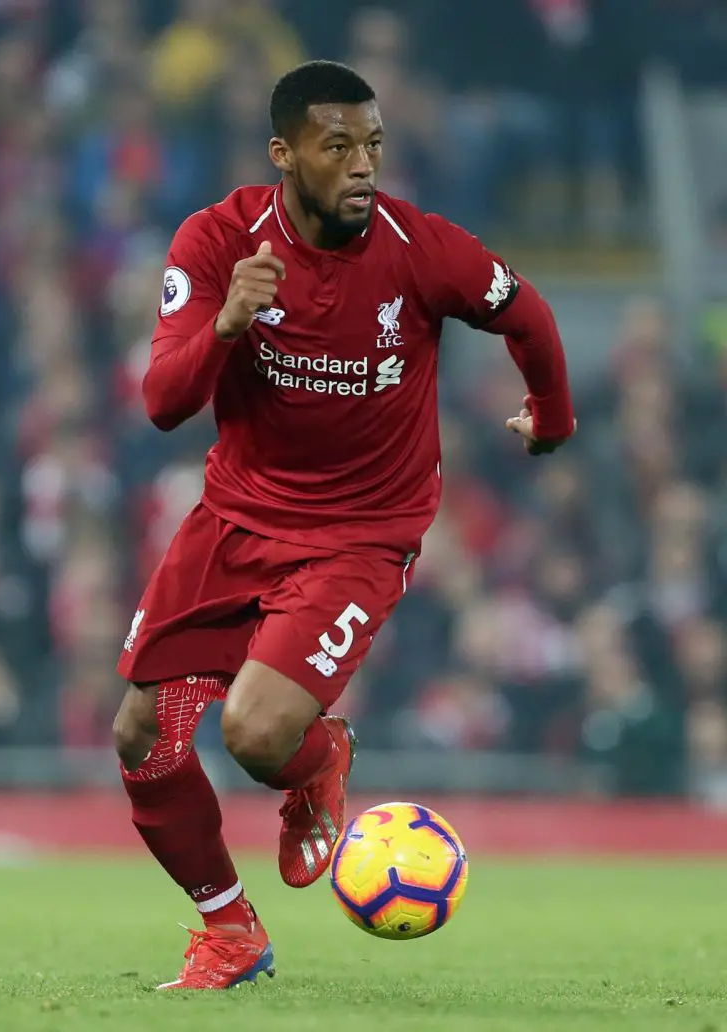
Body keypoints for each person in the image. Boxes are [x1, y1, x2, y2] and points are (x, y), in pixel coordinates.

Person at [112, 60, 576, 991]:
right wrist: (227, 324)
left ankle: (323, 754)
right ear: (283, 154)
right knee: (141, 737)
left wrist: (552, 418)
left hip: (362, 533)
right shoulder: (218, 242)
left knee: (254, 737)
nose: (363, 164)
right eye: (338, 147)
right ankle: (230, 933)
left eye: (373, 145)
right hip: (235, 516)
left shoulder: (421, 249)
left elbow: (526, 314)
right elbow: (162, 402)